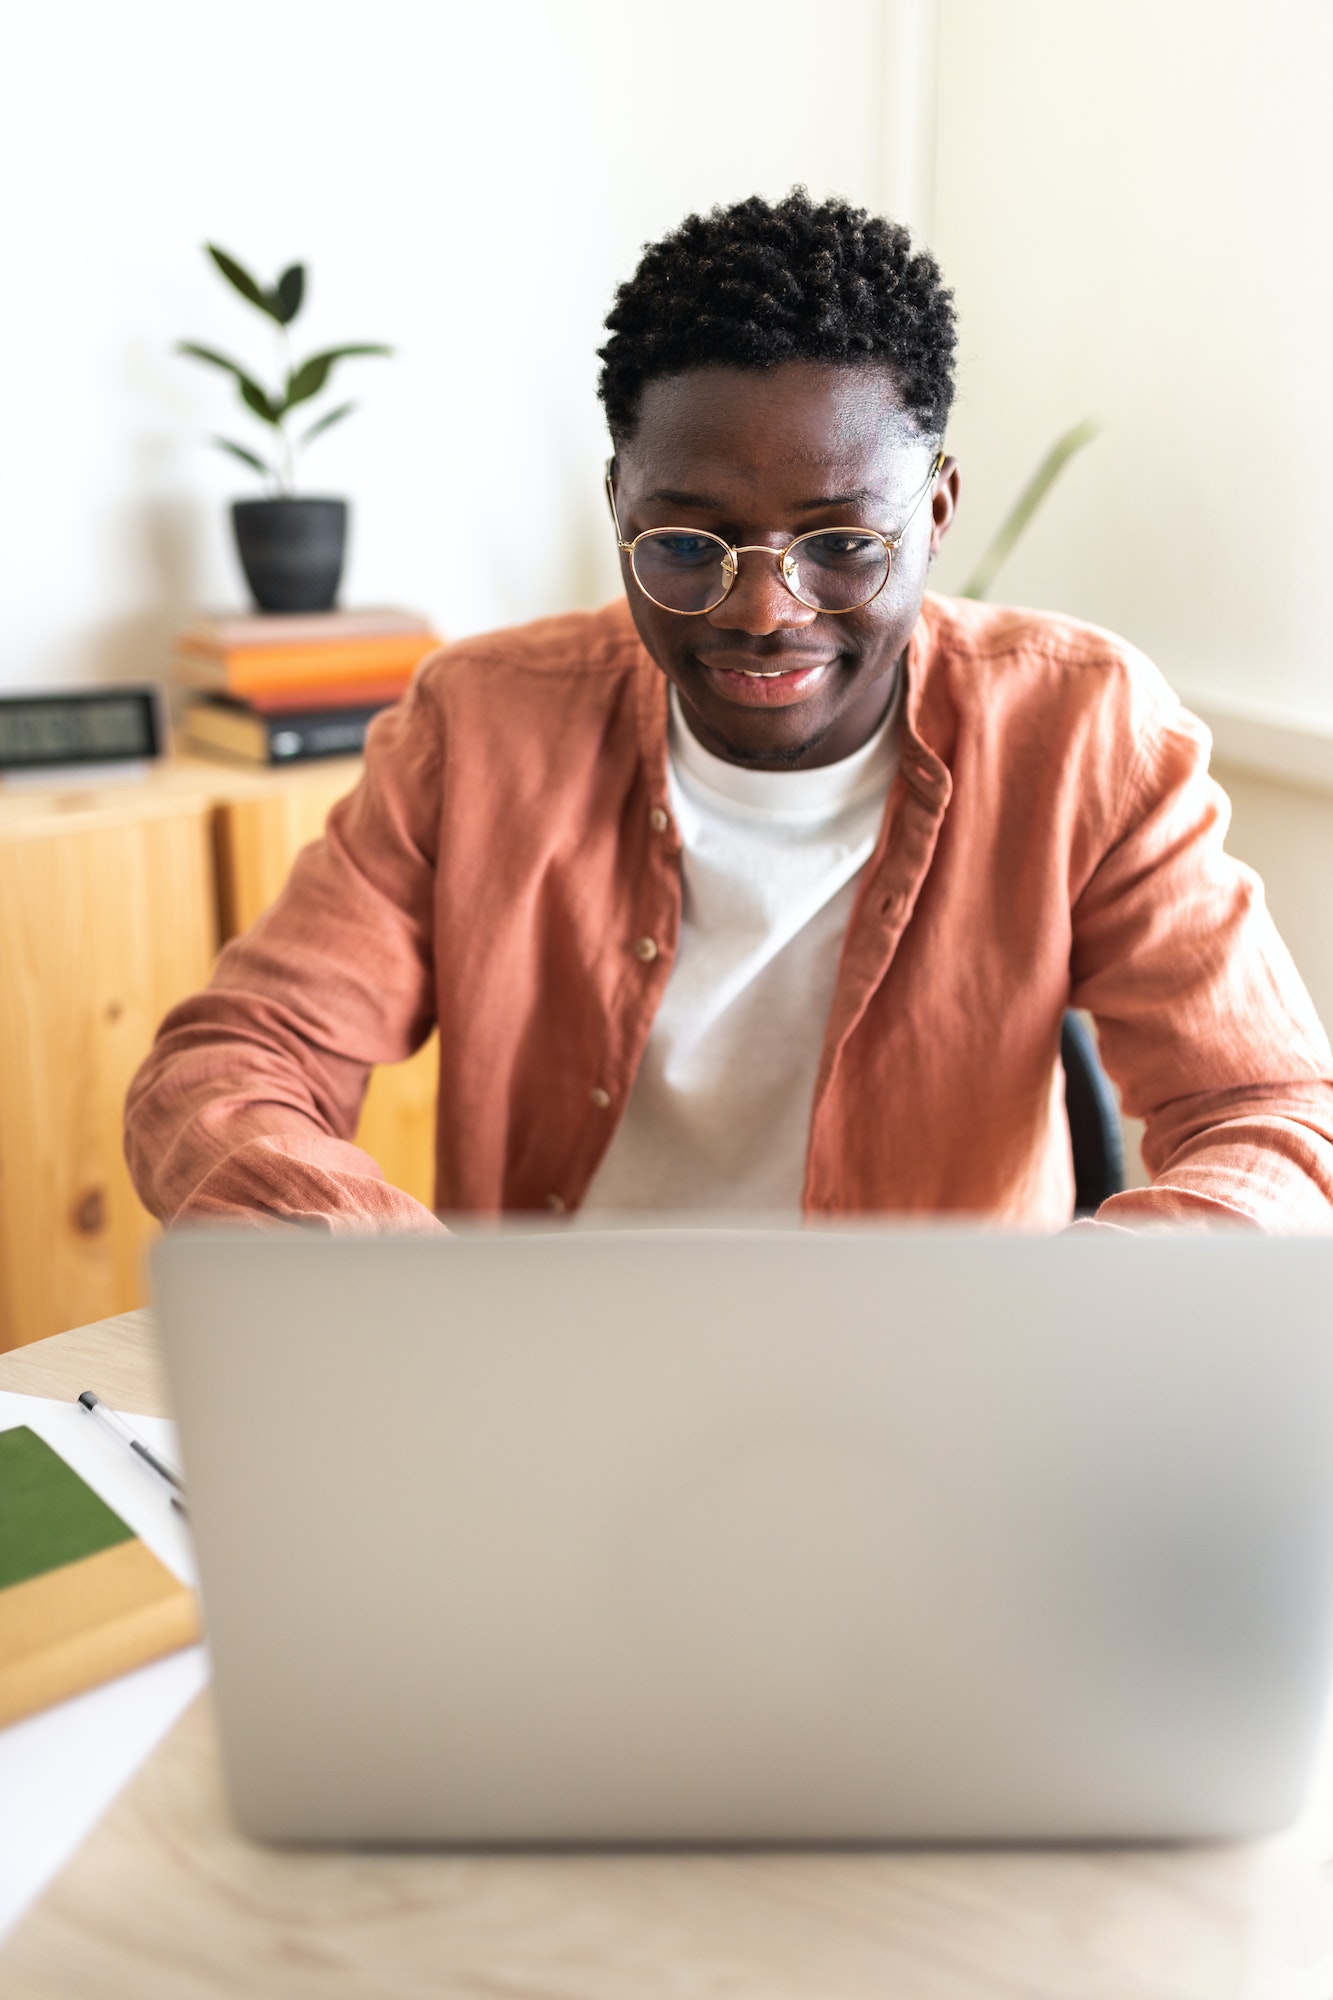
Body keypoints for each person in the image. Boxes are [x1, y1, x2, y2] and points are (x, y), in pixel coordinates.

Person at [126, 190, 1333, 1232]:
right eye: (691, 541)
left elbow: (1275, 1119)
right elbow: (229, 1066)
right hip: (560, 1387)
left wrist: (1073, 1309)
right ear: (619, 501)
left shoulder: (1085, 734)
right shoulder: (479, 727)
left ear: (939, 510)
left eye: (844, 541)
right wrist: (382, 1278)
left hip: (934, 1402)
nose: (763, 609)